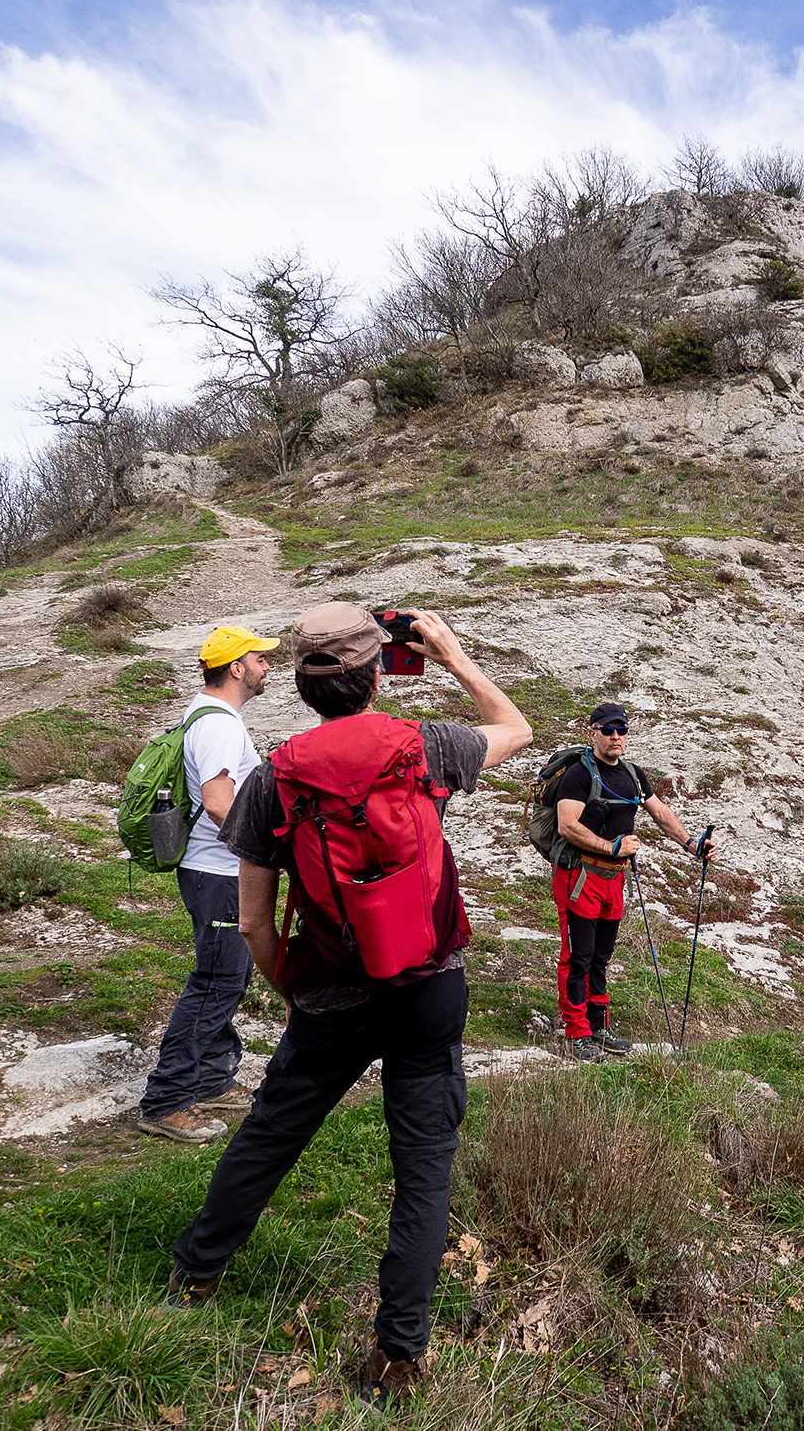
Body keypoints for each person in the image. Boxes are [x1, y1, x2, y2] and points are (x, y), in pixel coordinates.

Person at [163, 604, 530, 1412]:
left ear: (299, 683)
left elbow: (255, 920)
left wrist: (300, 993)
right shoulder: (426, 745)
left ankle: (194, 1277)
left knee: (271, 1132)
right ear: (378, 674)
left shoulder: (274, 778)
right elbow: (516, 728)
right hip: (430, 984)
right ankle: (398, 1359)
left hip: (332, 990)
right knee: (423, 1163)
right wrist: (455, 653)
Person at [135, 624, 279, 1144]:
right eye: (259, 660)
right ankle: (166, 1100)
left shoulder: (205, 715)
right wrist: (266, 850)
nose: (267, 667)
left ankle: (213, 1079)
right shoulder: (219, 724)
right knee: (216, 982)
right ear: (236, 668)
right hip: (218, 872)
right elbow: (220, 804)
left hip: (212, 870)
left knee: (229, 976)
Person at [550, 702, 714, 1061]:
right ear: (591, 732)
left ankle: (598, 1027)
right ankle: (577, 1032)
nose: (614, 737)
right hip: (580, 876)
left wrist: (691, 844)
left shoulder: (632, 773)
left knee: (601, 955)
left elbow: (660, 813)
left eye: (621, 730)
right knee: (579, 956)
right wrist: (613, 846)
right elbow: (566, 825)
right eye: (607, 730)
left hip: (613, 880)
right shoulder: (579, 774)